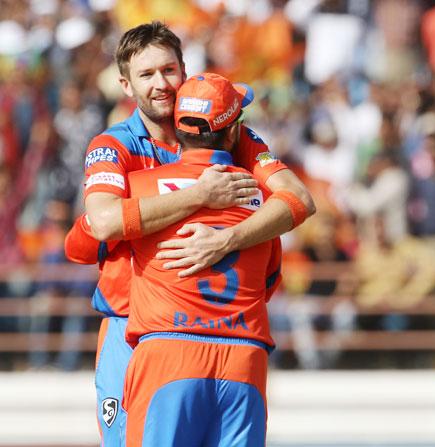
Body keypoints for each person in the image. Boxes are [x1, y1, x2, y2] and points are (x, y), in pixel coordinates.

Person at [64, 21, 313, 445]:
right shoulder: (114, 143)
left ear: (185, 69)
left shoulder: (232, 132)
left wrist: (227, 239)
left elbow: (300, 200)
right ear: (126, 85)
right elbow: (100, 224)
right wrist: (200, 194)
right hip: (131, 324)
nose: (160, 84)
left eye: (168, 70)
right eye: (146, 75)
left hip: (203, 331)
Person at [122, 72, 282, 447]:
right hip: (243, 357)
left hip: (167, 352)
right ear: (232, 134)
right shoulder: (262, 198)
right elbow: (270, 280)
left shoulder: (140, 187)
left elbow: (81, 243)